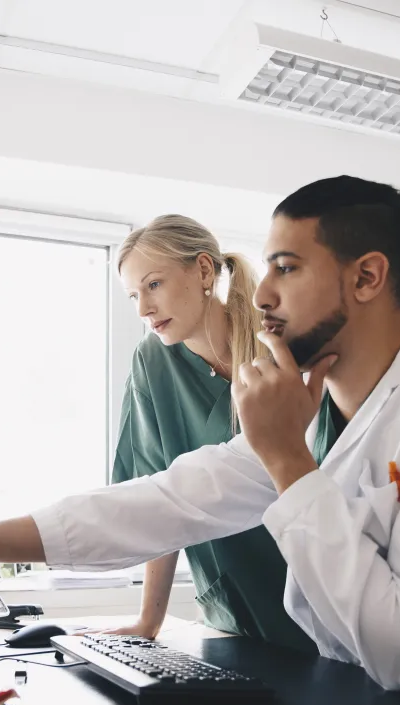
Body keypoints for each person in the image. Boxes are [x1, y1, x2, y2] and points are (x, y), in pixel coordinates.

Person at [0, 176, 400, 695]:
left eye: (286, 269)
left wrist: (290, 460)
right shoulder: (317, 412)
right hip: (356, 702)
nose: (262, 293)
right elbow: (161, 503)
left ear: (368, 277)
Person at [102, 215, 314, 651]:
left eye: (154, 285)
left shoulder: (279, 344)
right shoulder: (153, 362)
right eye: (133, 296)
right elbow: (157, 496)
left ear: (202, 270)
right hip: (231, 602)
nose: (143, 309)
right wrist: (149, 619)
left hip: (310, 579)